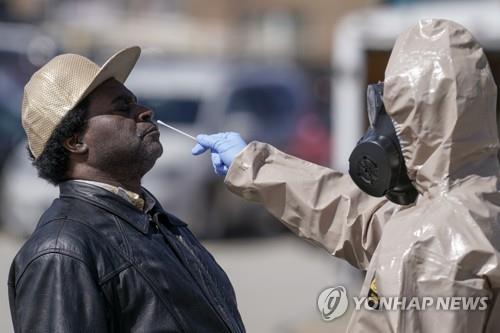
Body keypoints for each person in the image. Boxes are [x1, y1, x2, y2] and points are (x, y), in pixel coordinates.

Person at [192, 19, 500, 332]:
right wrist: (253, 166)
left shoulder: (432, 244)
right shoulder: (476, 201)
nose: (384, 128)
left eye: (394, 111)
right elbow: (354, 216)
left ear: (420, 119)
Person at [8, 46, 245, 333]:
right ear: (75, 141)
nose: (146, 111)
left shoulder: (158, 221)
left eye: (135, 102)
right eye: (122, 107)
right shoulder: (61, 251)